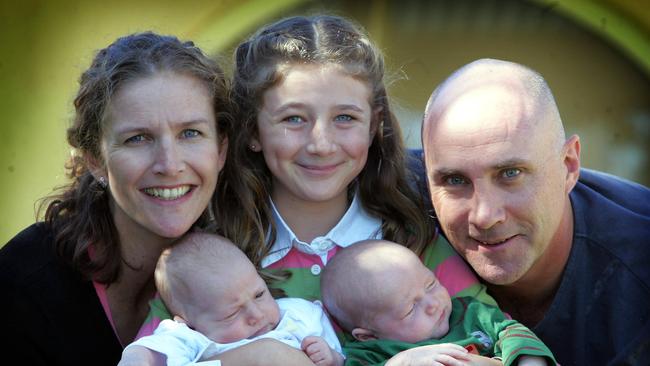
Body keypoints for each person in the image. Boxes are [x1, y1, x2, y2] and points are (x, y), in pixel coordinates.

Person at [128, 14, 499, 365]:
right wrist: (251, 358)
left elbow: (502, 342)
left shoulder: (416, 245)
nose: (321, 143)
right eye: (293, 118)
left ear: (373, 127)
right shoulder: (211, 263)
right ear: (253, 131)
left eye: (345, 118)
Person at [0, 32, 231, 365]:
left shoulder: (244, 263)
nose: (169, 165)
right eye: (138, 138)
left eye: (190, 133)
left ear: (220, 149)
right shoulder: (23, 287)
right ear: (95, 159)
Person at [421, 58, 650, 365]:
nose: (484, 216)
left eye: (511, 173)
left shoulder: (640, 265)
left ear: (568, 166)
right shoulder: (388, 204)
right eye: (455, 180)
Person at [122, 232, 343, 366]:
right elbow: (146, 351)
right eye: (231, 313)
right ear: (188, 323)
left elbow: (340, 357)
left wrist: (330, 357)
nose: (256, 315)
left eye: (259, 294)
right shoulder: (191, 339)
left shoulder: (298, 315)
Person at [321, 239, 556, 366]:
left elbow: (511, 331)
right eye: (411, 308)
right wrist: (401, 362)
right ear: (368, 335)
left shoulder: (469, 312)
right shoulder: (370, 354)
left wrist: (529, 360)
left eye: (431, 284)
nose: (432, 303)